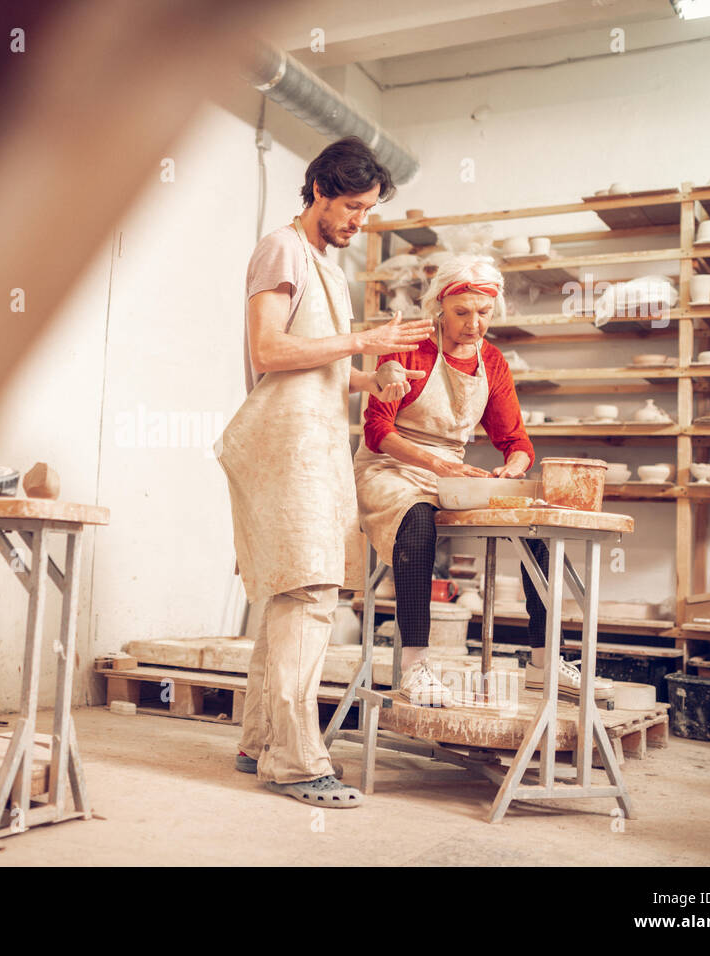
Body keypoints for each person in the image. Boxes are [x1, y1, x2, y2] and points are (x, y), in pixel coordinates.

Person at [216, 137, 433, 807]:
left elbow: (323, 368)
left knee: (290, 594)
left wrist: (372, 377)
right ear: (318, 192)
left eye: (367, 211)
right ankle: (296, 760)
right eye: (352, 208)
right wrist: (362, 341)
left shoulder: (329, 268)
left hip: (313, 443)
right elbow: (269, 349)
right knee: (309, 593)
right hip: (281, 443)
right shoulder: (280, 249)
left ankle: (259, 742)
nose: (358, 222)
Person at [356, 255, 612, 705]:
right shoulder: (409, 345)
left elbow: (515, 440)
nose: (474, 324)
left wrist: (513, 466)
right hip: (391, 467)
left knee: (538, 526)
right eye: (462, 313)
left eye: (484, 313)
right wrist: (438, 467)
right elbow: (377, 432)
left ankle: (543, 660)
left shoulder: (491, 361)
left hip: (452, 472)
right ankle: (414, 667)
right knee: (417, 523)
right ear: (440, 306)